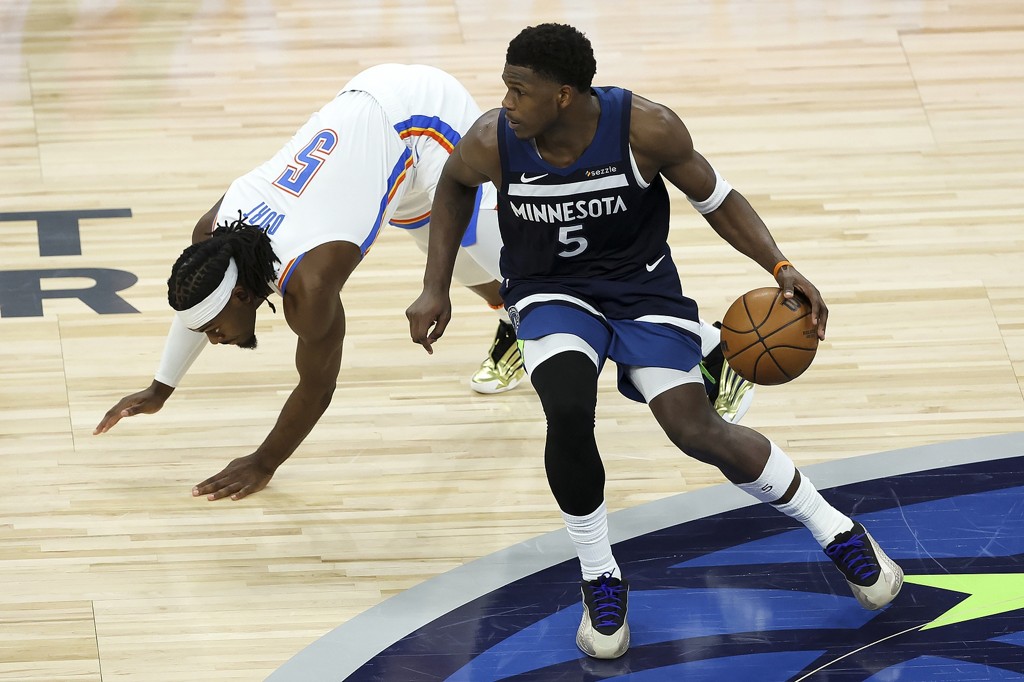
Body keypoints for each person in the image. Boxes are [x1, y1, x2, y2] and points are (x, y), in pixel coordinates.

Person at [406, 25, 903, 661]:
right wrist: (435, 286)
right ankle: (600, 577)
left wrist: (780, 266)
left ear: (564, 95)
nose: (507, 102)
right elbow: (452, 185)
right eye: (507, 87)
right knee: (567, 406)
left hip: (642, 291)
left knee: (696, 431)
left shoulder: (646, 128)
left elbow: (716, 198)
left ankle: (835, 529)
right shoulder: (492, 139)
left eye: (519, 90)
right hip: (549, 292)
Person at [91, 62, 753, 503]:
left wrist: (263, 463)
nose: (212, 337)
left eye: (214, 330)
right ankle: (514, 322)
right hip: (378, 131)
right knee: (467, 267)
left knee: (543, 268)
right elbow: (196, 304)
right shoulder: (212, 239)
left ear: (242, 292)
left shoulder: (310, 286)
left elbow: (317, 387)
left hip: (422, 124)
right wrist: (161, 386)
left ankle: (710, 348)